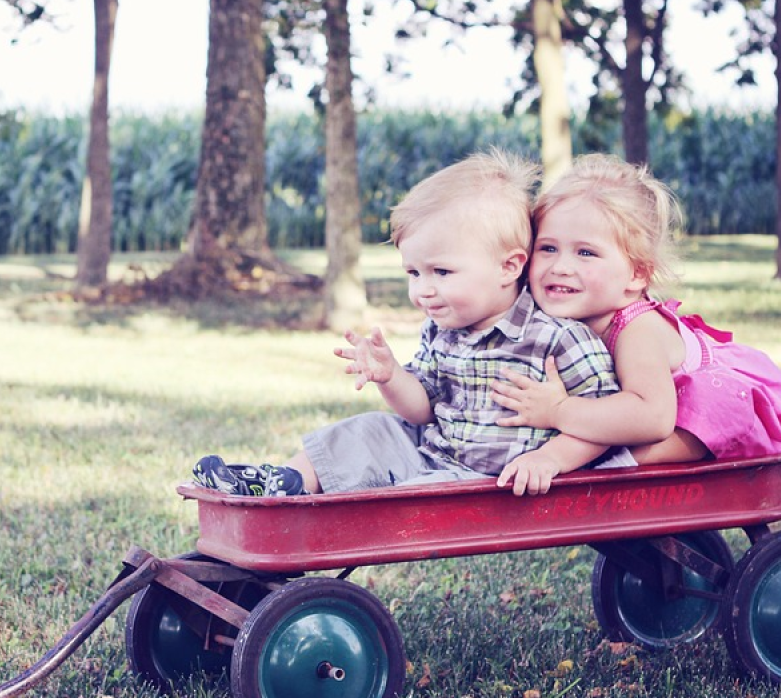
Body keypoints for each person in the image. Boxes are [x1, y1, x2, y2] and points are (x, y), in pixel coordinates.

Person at [192, 149, 633, 498]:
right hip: (433, 454)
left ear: (508, 266)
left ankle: (326, 507)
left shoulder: (557, 338)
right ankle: (283, 482)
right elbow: (422, 409)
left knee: (410, 497)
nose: (423, 290)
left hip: (489, 483)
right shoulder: (442, 328)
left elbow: (604, 425)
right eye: (413, 273)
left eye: (441, 272)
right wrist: (391, 378)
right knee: (370, 428)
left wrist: (551, 459)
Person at [492, 153, 781, 464]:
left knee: (656, 433)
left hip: (715, 411)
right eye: (548, 248)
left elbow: (653, 418)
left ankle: (616, 465)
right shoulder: (559, 314)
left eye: (585, 253)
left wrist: (558, 411)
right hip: (649, 408)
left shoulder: (637, 332)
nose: (560, 267)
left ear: (637, 274)